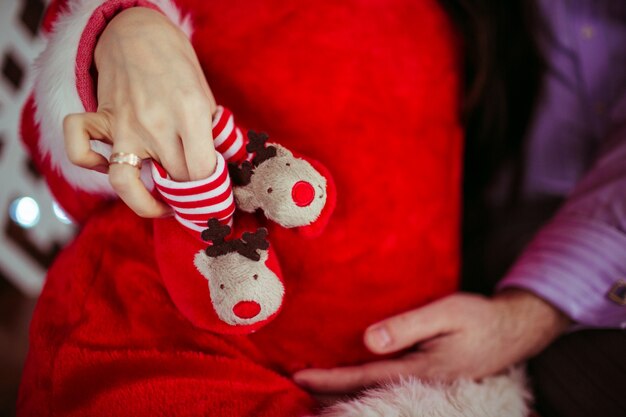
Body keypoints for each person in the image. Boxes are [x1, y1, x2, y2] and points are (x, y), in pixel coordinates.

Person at [17, 0, 625, 416]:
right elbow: (67, 156)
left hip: (406, 377)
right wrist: (118, 34)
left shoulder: (467, 28)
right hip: (171, 341)